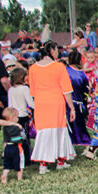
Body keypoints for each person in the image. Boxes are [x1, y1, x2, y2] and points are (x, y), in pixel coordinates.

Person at [28, 41, 75, 174]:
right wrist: (72, 107)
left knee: (44, 132)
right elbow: (66, 90)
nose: (58, 52)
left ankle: (43, 164)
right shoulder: (59, 67)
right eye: (56, 50)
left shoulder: (33, 68)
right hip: (56, 102)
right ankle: (60, 161)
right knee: (59, 130)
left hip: (41, 103)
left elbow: (32, 91)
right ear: (52, 51)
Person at [65, 49, 92, 152]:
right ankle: (87, 145)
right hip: (78, 103)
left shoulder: (65, 71)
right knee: (80, 126)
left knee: (68, 126)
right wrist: (85, 103)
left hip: (67, 103)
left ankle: (69, 146)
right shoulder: (81, 75)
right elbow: (86, 90)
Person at [7, 66, 33, 165]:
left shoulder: (11, 90)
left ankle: (14, 158)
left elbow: (10, 105)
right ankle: (26, 159)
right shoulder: (24, 88)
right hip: (22, 116)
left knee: (15, 139)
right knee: (25, 139)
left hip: (13, 117)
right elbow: (30, 103)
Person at [0, 107, 25, 183]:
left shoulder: (5, 128)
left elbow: (5, 139)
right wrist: (22, 132)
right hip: (16, 147)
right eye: (17, 117)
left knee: (7, 164)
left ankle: (4, 175)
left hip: (7, 147)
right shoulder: (17, 127)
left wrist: (4, 151)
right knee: (20, 163)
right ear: (13, 118)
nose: (18, 118)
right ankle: (19, 178)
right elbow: (22, 137)